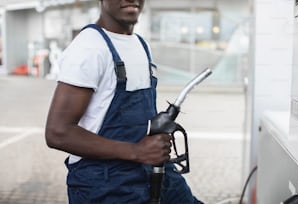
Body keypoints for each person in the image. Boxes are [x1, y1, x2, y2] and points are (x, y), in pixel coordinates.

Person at [45, 0, 203, 203]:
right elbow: (58, 133)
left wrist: (154, 135)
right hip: (105, 185)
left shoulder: (140, 44)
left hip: (151, 170)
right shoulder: (89, 48)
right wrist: (137, 151)